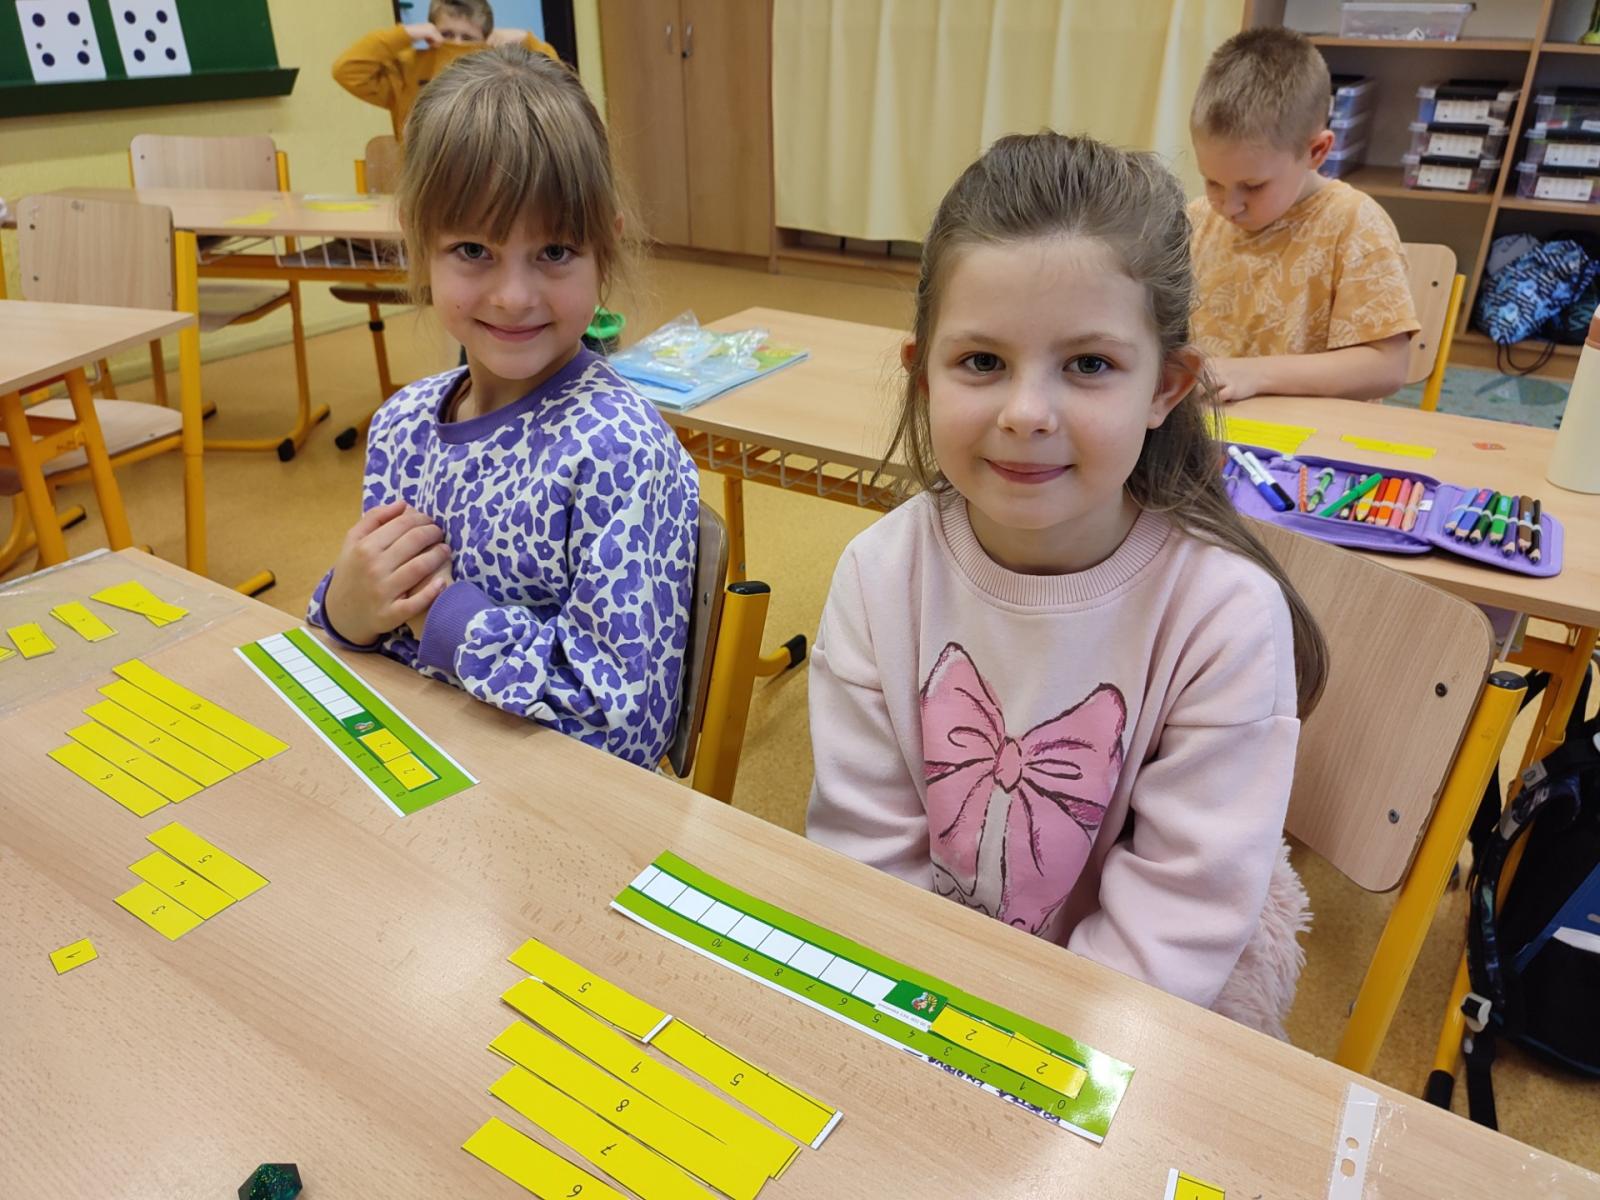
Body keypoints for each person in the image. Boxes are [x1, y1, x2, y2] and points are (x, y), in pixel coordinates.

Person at [806, 132, 1329, 1037]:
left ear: (1166, 388)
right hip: (920, 1005)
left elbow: (1170, 932)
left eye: (1089, 365)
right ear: (921, 374)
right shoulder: (879, 573)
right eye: (982, 362)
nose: (1026, 413)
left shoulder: (1224, 617)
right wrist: (930, 1032)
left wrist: (1015, 1053)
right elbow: (866, 868)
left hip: (1122, 1033)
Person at [309, 47, 699, 771]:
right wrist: (344, 611)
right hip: (413, 775)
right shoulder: (401, 426)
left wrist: (447, 619)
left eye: (554, 251)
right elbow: (367, 645)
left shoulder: (617, 452)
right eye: (472, 250)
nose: (514, 296)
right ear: (420, 243)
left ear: (604, 250)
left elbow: (626, 728)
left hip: (546, 805)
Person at [1189, 27, 1419, 402]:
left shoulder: (1353, 223)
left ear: (1316, 152)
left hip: (1310, 432)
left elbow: (1387, 367)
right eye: (1212, 181)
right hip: (1217, 422)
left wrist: (1254, 374)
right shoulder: (1197, 221)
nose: (1229, 206)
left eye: (1253, 186)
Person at [332, 0, 558, 139]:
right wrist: (405, 34)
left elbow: (557, 83)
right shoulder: (410, 68)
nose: (457, 44)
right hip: (424, 178)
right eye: (447, 34)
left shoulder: (499, 67)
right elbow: (347, 69)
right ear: (432, 32)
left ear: (486, 39)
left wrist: (527, 41)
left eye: (468, 37)